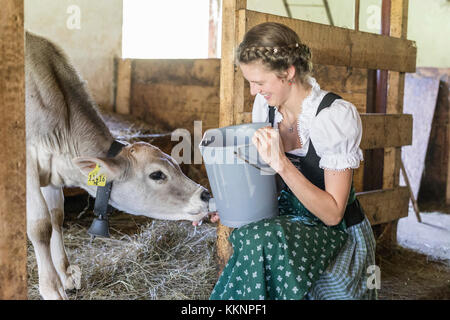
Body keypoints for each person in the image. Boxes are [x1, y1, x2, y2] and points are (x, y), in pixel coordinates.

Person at [199, 22, 377, 300]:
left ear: (288, 73)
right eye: (250, 82)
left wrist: (281, 162)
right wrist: (233, 207)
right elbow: (265, 183)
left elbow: (332, 214)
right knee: (247, 234)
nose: (252, 91)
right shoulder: (266, 108)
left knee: (260, 238)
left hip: (334, 232)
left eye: (258, 82)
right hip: (287, 221)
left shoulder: (333, 117)